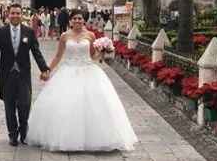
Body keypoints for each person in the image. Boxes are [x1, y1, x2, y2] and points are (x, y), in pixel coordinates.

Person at [27, 9, 137, 153]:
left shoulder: (90, 35)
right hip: (68, 71)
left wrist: (102, 52)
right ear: (70, 21)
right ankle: (67, 138)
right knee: (67, 104)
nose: (77, 21)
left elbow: (93, 56)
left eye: (80, 18)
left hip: (88, 70)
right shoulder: (64, 36)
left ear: (83, 20)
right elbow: (58, 56)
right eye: (75, 18)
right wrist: (47, 70)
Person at [0, 3, 50, 146]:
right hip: (7, 75)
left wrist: (44, 68)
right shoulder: (0, 32)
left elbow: (36, 52)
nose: (15, 16)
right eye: (13, 13)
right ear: (8, 15)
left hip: (23, 75)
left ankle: (23, 131)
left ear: (22, 15)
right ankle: (12, 135)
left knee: (25, 104)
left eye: (18, 13)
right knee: (9, 106)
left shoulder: (29, 32)